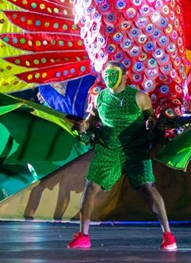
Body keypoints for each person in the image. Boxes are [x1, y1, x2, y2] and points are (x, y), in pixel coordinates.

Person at [67, 61, 177, 251]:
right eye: (107, 74)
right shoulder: (100, 97)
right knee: (91, 187)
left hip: (135, 149)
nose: (109, 78)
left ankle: (168, 235)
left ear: (124, 76)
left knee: (147, 188)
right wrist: (83, 126)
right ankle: (83, 236)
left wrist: (151, 123)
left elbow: (150, 117)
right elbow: (91, 120)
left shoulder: (139, 96)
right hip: (108, 149)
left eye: (113, 74)